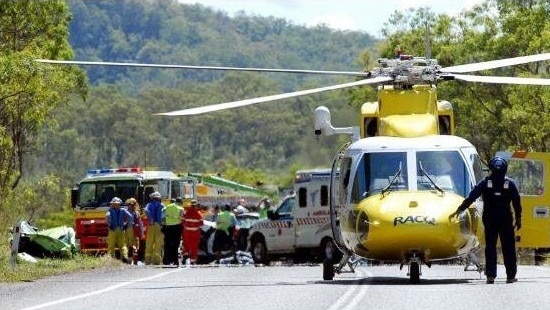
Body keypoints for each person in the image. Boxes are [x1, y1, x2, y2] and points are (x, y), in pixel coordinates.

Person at [450, 156, 522, 284]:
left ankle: (490, 276)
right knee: (508, 247)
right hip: (505, 218)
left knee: (490, 247)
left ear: (491, 168)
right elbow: (517, 203)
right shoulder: (510, 183)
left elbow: (472, 196)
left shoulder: (485, 182)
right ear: (505, 168)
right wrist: (518, 219)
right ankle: (510, 276)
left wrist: (461, 209)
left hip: (490, 218)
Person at [106, 197, 133, 263]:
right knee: (122, 245)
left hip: (113, 230)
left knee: (111, 245)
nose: (114, 205)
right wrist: (127, 225)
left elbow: (108, 217)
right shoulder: (123, 210)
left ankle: (110, 260)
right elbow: (130, 216)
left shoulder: (110, 211)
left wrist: (109, 225)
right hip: (121, 229)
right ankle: (124, 257)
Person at [143, 191, 165, 265]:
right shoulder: (162, 205)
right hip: (159, 226)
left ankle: (147, 261)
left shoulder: (149, 204)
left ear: (152, 198)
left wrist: (150, 218)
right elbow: (164, 216)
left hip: (151, 225)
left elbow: (145, 210)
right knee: (158, 244)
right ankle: (156, 261)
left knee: (149, 243)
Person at [162, 197, 184, 266]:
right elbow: (182, 218)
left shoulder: (166, 207)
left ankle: (166, 261)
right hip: (177, 227)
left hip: (168, 227)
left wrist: (164, 225)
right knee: (175, 245)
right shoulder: (181, 208)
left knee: (167, 244)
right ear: (180, 203)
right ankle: (175, 261)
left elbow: (162, 217)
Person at [183, 199, 204, 264]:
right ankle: (193, 260)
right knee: (194, 247)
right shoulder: (198, 213)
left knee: (186, 245)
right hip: (195, 233)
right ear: (196, 205)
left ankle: (185, 257)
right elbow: (201, 224)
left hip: (187, 232)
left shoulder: (186, 212)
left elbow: (183, 222)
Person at [125, 197, 144, 264]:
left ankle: (133, 261)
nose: (130, 205)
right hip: (127, 230)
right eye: (129, 204)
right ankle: (128, 260)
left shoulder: (136, 213)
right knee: (127, 245)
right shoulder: (125, 212)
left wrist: (142, 234)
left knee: (134, 246)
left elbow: (140, 224)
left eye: (131, 204)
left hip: (134, 231)